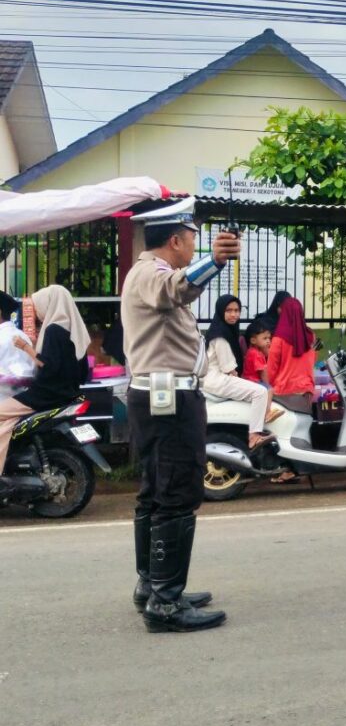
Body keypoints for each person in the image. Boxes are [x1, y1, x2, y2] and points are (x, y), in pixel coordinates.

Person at [122, 198, 240, 632]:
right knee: (175, 494)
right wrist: (217, 261)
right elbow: (178, 288)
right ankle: (165, 604)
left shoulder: (145, 273)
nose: (194, 244)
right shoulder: (153, 275)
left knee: (156, 492)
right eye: (192, 238)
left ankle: (152, 585)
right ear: (175, 239)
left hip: (160, 399)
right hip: (168, 402)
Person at [0, 285, 90, 497]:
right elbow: (82, 369)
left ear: (50, 304)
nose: (38, 312)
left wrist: (26, 347)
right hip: (65, 393)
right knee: (7, 423)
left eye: (39, 305)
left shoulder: (53, 330)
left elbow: (47, 366)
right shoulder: (73, 330)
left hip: (44, 395)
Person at [204, 295, 280, 450]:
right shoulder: (220, 336)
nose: (234, 314)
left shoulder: (226, 330)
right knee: (260, 392)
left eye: (237, 310)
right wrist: (241, 381)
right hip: (218, 379)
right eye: (229, 310)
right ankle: (254, 436)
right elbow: (228, 368)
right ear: (221, 311)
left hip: (219, 378)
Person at [266, 297, 317, 483]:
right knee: (300, 429)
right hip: (305, 392)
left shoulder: (279, 338)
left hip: (284, 392)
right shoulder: (310, 336)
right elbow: (310, 362)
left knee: (279, 431)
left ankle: (287, 469)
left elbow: (271, 369)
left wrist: (268, 385)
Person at [242, 317, 273, 385]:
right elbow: (263, 373)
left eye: (269, 338)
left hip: (248, 381)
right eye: (265, 338)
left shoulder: (252, 351)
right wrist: (268, 386)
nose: (268, 341)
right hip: (254, 382)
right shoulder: (256, 354)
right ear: (253, 340)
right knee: (270, 390)